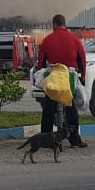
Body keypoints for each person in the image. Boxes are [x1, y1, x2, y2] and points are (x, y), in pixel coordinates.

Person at [36, 13, 87, 148]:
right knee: (71, 110)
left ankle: (45, 138)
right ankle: (75, 139)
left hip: (53, 79)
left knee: (48, 109)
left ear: (54, 25)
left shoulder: (47, 40)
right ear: (65, 24)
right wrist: (82, 77)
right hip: (68, 79)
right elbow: (82, 60)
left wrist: (41, 73)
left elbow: (40, 63)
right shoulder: (75, 40)